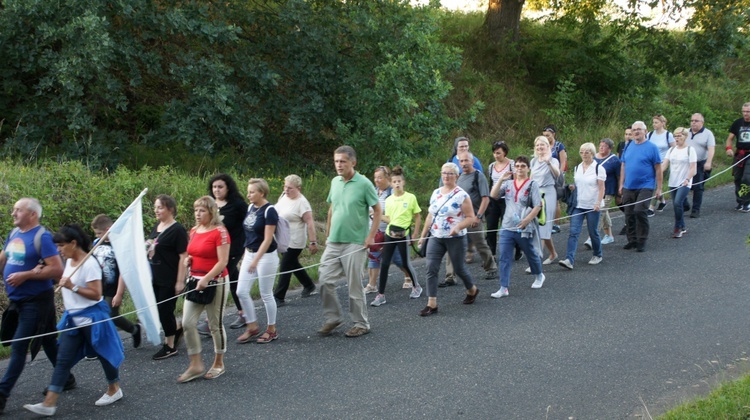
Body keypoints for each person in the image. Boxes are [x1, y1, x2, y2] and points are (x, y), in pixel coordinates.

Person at [24, 225, 124, 416]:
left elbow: (96, 295)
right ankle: (49, 403)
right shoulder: (68, 260)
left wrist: (72, 287)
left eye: (61, 246)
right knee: (63, 360)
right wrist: (42, 267)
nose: (58, 250)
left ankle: (114, 388)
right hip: (73, 319)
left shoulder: (89, 263)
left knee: (104, 354)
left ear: (73, 243)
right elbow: (60, 276)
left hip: (92, 318)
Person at [0, 198, 69, 414]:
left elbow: (57, 270)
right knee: (48, 339)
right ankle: (66, 378)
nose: (13, 214)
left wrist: (26, 275)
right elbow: (4, 259)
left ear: (32, 214)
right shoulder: (14, 235)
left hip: (37, 300)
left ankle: (2, 394)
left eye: (17, 211)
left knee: (19, 346)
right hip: (17, 300)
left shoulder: (43, 237)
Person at [317, 146, 379, 337]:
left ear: (353, 162)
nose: (339, 165)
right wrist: (327, 234)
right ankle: (333, 317)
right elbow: (332, 208)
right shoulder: (335, 182)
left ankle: (361, 324)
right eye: (336, 161)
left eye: (343, 161)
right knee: (324, 279)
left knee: (354, 285)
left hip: (355, 242)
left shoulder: (364, 184)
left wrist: (370, 237)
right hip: (335, 240)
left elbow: (377, 211)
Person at [416, 162, 480, 316]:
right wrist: (423, 236)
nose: (446, 176)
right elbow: (430, 215)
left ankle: (472, 289)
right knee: (431, 267)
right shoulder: (436, 192)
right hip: (436, 236)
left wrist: (458, 227)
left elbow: (471, 217)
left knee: (459, 268)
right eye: (444, 173)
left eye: (450, 173)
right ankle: (432, 303)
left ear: (456, 176)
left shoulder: (462, 195)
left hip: (456, 238)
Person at [178, 196, 230, 383]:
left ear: (211, 212)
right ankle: (196, 364)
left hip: (215, 282)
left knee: (215, 324)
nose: (197, 214)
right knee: (187, 323)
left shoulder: (220, 232)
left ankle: (218, 362)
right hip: (195, 280)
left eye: (202, 211)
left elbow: (223, 261)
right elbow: (192, 252)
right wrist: (188, 261)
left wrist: (207, 278)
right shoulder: (194, 230)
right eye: (196, 210)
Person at [489, 155, 545, 298]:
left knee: (530, 252)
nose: (519, 169)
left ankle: (539, 274)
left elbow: (538, 205)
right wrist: (501, 179)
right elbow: (493, 195)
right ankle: (503, 287)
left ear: (528, 168)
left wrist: (527, 220)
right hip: (507, 226)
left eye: (523, 166)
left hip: (523, 226)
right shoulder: (508, 184)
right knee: (504, 257)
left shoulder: (532, 184)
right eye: (517, 166)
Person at [197, 174, 247, 333]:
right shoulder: (210, 205)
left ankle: (210, 320)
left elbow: (249, 223)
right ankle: (245, 313)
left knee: (218, 279)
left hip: (232, 249)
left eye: (220, 187)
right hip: (214, 250)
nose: (216, 190)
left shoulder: (237, 204)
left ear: (228, 188)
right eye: (214, 187)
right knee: (234, 280)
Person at [370, 166, 423, 307]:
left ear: (403, 182)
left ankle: (416, 286)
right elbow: (390, 219)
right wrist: (378, 216)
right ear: (391, 183)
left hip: (403, 234)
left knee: (405, 263)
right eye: (394, 182)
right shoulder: (389, 200)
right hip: (389, 233)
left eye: (399, 181)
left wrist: (415, 234)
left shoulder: (410, 197)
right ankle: (380, 295)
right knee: (385, 264)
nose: (397, 184)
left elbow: (417, 217)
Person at [442, 151, 497, 284]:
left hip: (474, 217)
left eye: (466, 161)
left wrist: (478, 217)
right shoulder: (458, 178)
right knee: (451, 245)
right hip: (458, 218)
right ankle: (450, 276)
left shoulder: (479, 176)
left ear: (472, 161)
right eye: (461, 161)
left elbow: (485, 198)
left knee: (480, 244)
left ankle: (491, 268)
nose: (464, 163)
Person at [236, 179, 280, 344]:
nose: (248, 195)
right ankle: (252, 325)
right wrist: (246, 255)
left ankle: (272, 329)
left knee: (266, 294)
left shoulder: (270, 211)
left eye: (252, 192)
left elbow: (268, 239)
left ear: (262, 193)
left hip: (266, 256)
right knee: (241, 291)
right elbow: (249, 234)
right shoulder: (250, 207)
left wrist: (256, 259)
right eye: (248, 192)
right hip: (250, 253)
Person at [91, 215, 140, 348]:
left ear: (108, 229)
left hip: (112, 288)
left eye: (100, 233)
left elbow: (123, 272)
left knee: (110, 315)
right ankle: (103, 343)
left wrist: (119, 293)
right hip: (98, 287)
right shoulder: (96, 243)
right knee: (101, 316)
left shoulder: (118, 245)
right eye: (96, 234)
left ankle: (133, 330)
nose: (98, 236)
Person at [148, 194, 188, 360]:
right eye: (156, 207)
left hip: (169, 277)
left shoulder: (177, 230)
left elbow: (183, 256)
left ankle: (170, 345)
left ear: (170, 209)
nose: (156, 210)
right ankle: (176, 328)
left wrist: (180, 281)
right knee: (157, 310)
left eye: (160, 207)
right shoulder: (158, 226)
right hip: (154, 276)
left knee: (165, 310)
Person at [559, 143, 606, 270]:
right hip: (578, 204)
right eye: (582, 152)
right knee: (573, 232)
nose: (584, 154)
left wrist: (598, 202)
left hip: (592, 205)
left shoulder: (598, 168)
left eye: (587, 152)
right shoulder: (577, 167)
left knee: (593, 231)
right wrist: (572, 187)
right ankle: (569, 259)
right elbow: (578, 183)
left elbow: (602, 188)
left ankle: (597, 254)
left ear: (592, 153)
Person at [364, 166, 411, 294]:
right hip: (374, 230)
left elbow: (397, 214)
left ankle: (409, 276)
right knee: (373, 257)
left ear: (387, 178)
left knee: (397, 259)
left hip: (390, 231)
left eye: (380, 177)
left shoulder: (392, 193)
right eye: (375, 178)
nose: (377, 180)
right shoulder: (373, 191)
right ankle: (372, 284)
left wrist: (379, 215)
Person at [273, 174, 318, 305]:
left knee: (285, 266)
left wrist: (313, 242)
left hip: (295, 241)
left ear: (298, 188)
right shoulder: (283, 197)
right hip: (283, 238)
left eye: (290, 188)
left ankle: (279, 296)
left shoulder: (302, 203)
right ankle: (308, 284)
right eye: (285, 186)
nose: (286, 190)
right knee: (292, 264)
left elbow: (310, 223)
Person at [619, 121, 663, 252]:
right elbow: (623, 165)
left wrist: (659, 188)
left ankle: (642, 239)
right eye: (634, 130)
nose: (636, 132)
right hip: (629, 186)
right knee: (629, 213)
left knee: (639, 211)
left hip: (646, 185)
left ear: (645, 131)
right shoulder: (628, 146)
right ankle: (632, 240)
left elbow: (658, 168)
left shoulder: (652, 147)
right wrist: (621, 184)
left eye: (639, 129)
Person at [529, 136, 560, 265]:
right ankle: (553, 253)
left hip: (548, 193)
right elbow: (531, 178)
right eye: (537, 145)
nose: (540, 147)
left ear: (548, 146)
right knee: (540, 226)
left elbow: (557, 174)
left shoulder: (553, 160)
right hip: (536, 193)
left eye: (542, 145)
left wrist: (548, 162)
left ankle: (536, 261)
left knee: (543, 226)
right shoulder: (533, 161)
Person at [584, 139, 620, 248]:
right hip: (596, 189)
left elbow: (619, 176)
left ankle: (592, 237)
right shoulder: (594, 157)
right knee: (605, 212)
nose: (601, 148)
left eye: (604, 146)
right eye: (600, 146)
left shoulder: (614, 161)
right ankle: (609, 235)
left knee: (600, 211)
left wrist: (619, 192)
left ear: (609, 148)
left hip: (608, 189)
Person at [662, 127, 697, 238]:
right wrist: (656, 174)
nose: (677, 138)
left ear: (685, 137)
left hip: (685, 182)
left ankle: (677, 227)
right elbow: (664, 165)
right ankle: (682, 225)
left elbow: (693, 168)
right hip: (673, 182)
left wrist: (687, 179)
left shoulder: (690, 150)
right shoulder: (671, 150)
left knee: (677, 203)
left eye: (679, 136)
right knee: (677, 204)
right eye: (675, 136)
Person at [485, 141, 516, 257]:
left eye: (498, 153)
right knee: (491, 226)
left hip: (507, 199)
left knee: (506, 225)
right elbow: (491, 182)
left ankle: (516, 248)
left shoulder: (512, 164)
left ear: (505, 153)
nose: (496, 155)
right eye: (494, 153)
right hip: (494, 199)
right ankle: (491, 254)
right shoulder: (491, 166)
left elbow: (516, 181)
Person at [686, 113, 715, 218]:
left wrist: (708, 162)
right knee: (681, 184)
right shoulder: (685, 132)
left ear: (702, 122)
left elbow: (711, 148)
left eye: (696, 121)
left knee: (698, 187)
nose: (693, 122)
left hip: (699, 162)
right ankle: (684, 204)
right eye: (692, 120)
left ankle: (695, 209)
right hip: (686, 163)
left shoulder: (708, 134)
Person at [646, 115, 674, 216]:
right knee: (653, 183)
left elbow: (673, 149)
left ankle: (651, 207)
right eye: (653, 122)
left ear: (663, 123)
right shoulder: (649, 135)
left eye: (656, 122)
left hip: (663, 163)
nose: (654, 124)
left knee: (656, 185)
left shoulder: (668, 135)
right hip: (651, 163)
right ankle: (662, 201)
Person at [725, 102, 750, 212]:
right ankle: (740, 201)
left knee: (747, 178)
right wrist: (728, 148)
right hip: (740, 154)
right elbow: (730, 138)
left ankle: (747, 202)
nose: (745, 114)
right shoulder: (738, 123)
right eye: (744, 111)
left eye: (748, 112)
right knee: (737, 178)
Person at [542, 125, 567, 234]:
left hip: (556, 175)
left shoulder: (559, 146)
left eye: (548, 135)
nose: (546, 137)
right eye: (544, 136)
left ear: (553, 134)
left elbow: (563, 161)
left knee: (555, 200)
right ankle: (547, 222)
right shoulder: (543, 146)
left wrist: (560, 175)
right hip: (545, 177)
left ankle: (556, 224)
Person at [617, 127, 633, 235]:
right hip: (621, 174)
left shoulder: (634, 146)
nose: (627, 136)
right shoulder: (621, 145)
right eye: (626, 134)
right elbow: (619, 160)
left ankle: (629, 222)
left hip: (631, 174)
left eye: (630, 134)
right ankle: (630, 216)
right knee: (618, 200)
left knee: (628, 200)